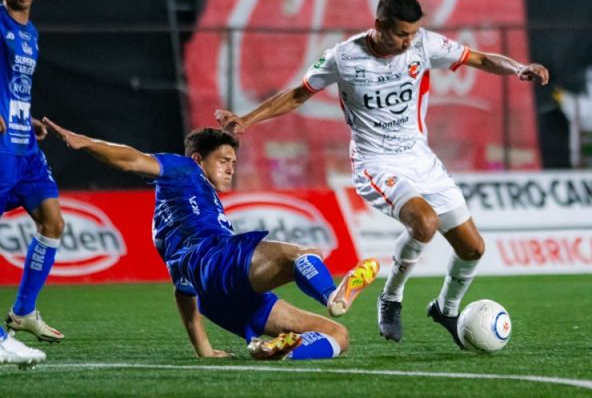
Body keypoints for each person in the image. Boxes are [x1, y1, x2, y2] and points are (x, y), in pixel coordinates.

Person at [214, 0, 550, 348]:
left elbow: (479, 59)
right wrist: (247, 119)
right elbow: (298, 93)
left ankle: (446, 309)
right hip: (375, 164)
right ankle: (391, 297)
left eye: (413, 33)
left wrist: (519, 68)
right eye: (402, 33)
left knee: (473, 249)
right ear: (379, 25)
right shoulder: (344, 57)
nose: (409, 41)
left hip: (421, 160)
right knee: (424, 222)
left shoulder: (424, 45)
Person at [43, 118, 379, 360]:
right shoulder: (183, 170)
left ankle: (275, 350)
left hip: (216, 298)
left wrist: (203, 349)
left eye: (234, 162)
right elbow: (131, 159)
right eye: (223, 160)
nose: (231, 168)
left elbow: (183, 290)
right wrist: (85, 142)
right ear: (198, 159)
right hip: (219, 262)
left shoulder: (173, 221)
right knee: (301, 255)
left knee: (338, 336)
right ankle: (333, 296)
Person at [0, 0, 65, 343]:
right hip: (2, 149)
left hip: (26, 147)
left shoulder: (31, 33)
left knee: (53, 222)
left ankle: (23, 311)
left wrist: (27, 117)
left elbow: (14, 87)